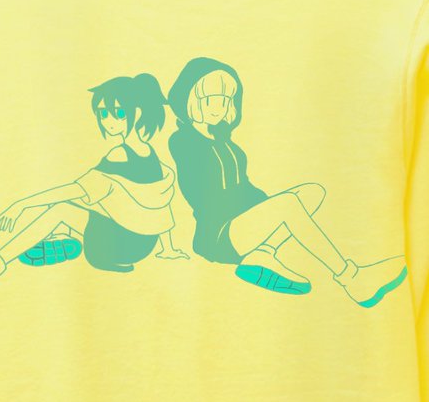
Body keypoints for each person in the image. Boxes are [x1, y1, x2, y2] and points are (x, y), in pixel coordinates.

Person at [167, 56, 407, 308]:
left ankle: (262, 253)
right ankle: (351, 277)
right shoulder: (183, 141)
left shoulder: (226, 143)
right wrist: (273, 209)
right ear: (189, 99)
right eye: (211, 98)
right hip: (217, 233)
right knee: (289, 205)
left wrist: (267, 206)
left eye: (226, 98)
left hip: (242, 223)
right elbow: (201, 195)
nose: (220, 105)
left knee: (311, 193)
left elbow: (244, 187)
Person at [0, 73, 188, 301]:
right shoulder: (150, 154)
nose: (108, 121)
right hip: (142, 246)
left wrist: (22, 205)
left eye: (118, 113)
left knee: (63, 209)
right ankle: (64, 238)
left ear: (137, 113)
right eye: (103, 113)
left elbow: (74, 190)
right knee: (96, 201)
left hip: (113, 248)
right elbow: (158, 205)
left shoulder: (119, 155)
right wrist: (168, 248)